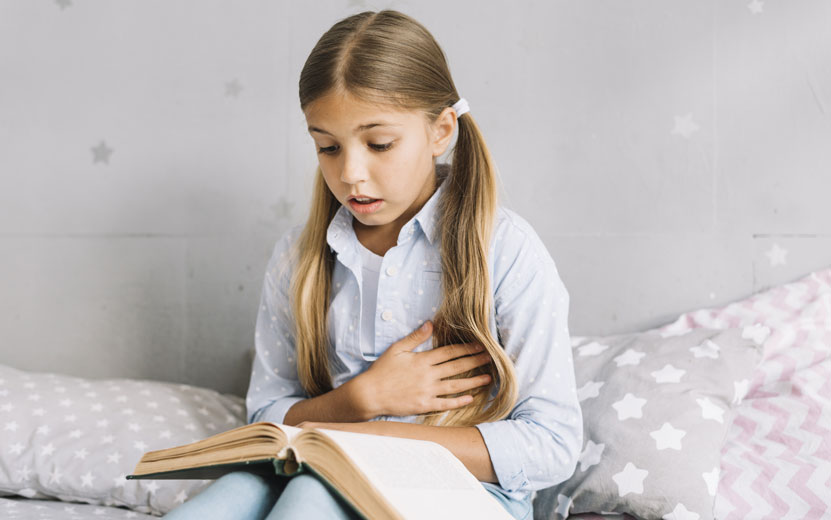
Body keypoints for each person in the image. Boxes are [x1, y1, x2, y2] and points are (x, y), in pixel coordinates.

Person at [163, 9, 582, 520]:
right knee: (225, 501)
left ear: (441, 130)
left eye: (379, 144)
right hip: (322, 464)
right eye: (328, 147)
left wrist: (364, 440)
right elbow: (268, 413)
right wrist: (358, 399)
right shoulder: (299, 258)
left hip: (468, 494)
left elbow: (552, 445)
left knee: (310, 499)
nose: (350, 173)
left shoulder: (506, 249)